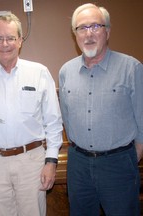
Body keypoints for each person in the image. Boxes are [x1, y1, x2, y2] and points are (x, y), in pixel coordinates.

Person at [0, 13, 63, 216]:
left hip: (31, 161)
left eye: (10, 38)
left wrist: (51, 162)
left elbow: (53, 122)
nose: (5, 44)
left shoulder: (39, 72)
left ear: (20, 41)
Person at [59, 3, 143, 216]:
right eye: (82, 28)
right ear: (75, 34)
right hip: (78, 164)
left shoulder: (131, 68)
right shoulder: (66, 71)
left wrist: (133, 155)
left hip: (118, 163)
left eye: (96, 26)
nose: (89, 34)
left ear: (107, 31)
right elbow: (67, 119)